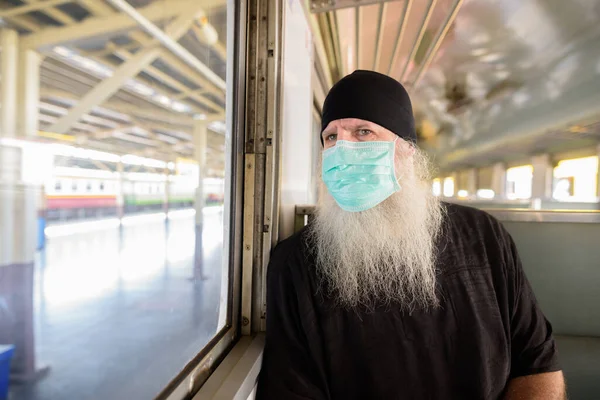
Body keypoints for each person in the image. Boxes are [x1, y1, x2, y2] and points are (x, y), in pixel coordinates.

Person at [256, 70, 565, 399]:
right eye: (331, 137)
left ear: (406, 151)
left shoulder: (484, 236)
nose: (342, 151)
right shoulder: (296, 263)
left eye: (363, 132)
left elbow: (537, 363)